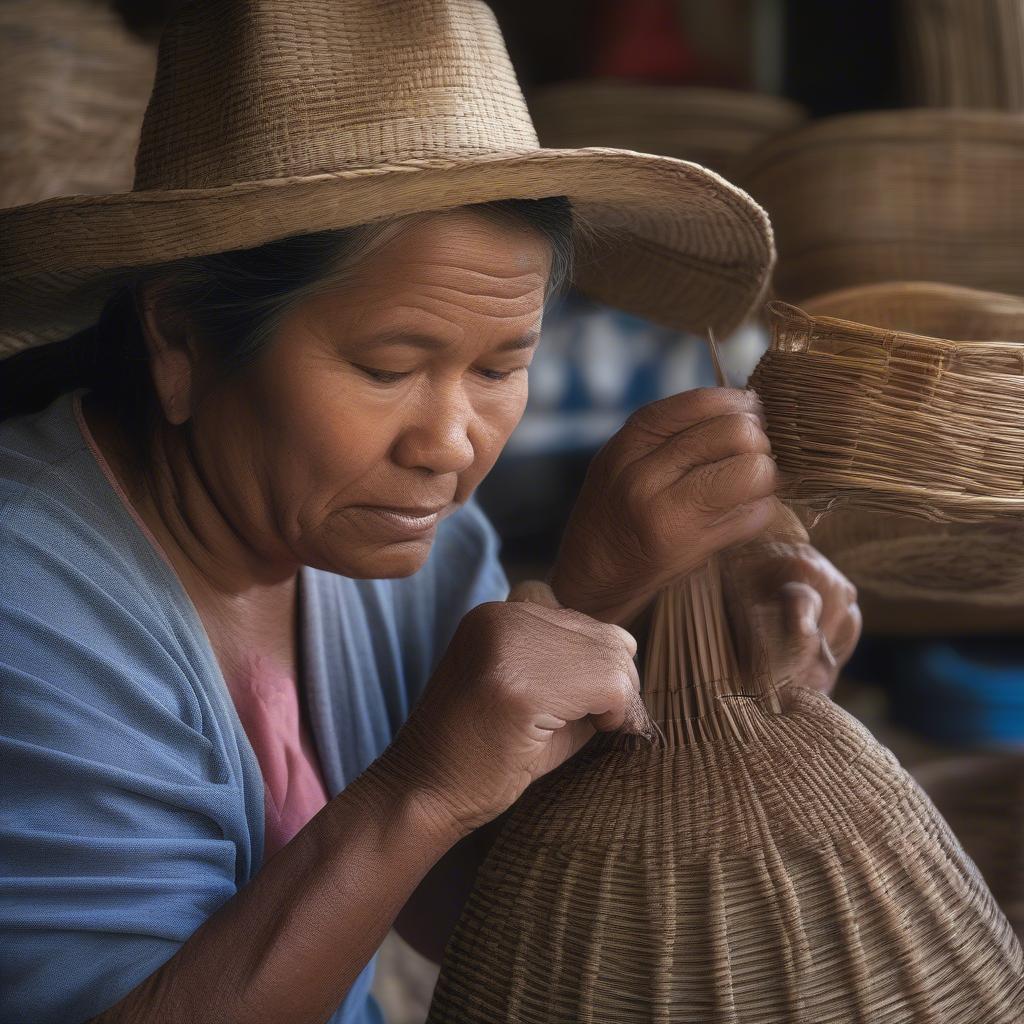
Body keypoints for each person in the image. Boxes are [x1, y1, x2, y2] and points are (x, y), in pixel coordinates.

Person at [0, 2, 861, 1022]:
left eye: (502, 366)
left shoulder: (405, 538)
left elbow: (468, 912)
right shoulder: (30, 597)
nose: (451, 446)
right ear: (180, 338)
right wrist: (422, 783)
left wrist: (634, 614)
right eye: (388, 367)